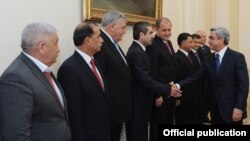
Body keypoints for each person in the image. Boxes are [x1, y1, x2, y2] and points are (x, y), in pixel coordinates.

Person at [0, 22, 71, 141]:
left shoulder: (43, 69)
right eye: (56, 43)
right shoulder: (15, 78)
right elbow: (16, 136)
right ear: (42, 47)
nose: (59, 49)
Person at [177, 26, 249, 124]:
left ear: (221, 39)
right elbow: (196, 76)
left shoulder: (237, 57)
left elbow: (243, 86)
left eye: (211, 38)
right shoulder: (209, 58)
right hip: (215, 110)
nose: (208, 41)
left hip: (232, 110)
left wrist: (238, 108)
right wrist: (177, 85)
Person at [126, 22, 181, 141]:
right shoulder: (137, 52)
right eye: (151, 33)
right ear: (141, 35)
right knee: (141, 134)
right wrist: (165, 89)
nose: (153, 35)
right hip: (140, 101)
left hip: (149, 97)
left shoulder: (142, 50)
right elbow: (146, 78)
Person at [57, 21, 110, 141]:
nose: (102, 40)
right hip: (87, 135)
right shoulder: (69, 69)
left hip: (103, 132)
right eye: (98, 36)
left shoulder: (95, 62)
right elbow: (73, 113)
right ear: (87, 40)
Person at [94, 10, 133, 141]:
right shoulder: (101, 44)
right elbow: (99, 79)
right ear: (112, 26)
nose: (124, 31)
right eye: (123, 27)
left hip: (119, 108)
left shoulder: (113, 43)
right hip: (111, 110)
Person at [146, 17, 178, 141]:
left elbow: (171, 66)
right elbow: (152, 71)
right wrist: (157, 95)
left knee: (169, 123)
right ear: (156, 29)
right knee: (158, 126)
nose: (168, 33)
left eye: (169, 30)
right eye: (164, 30)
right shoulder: (153, 45)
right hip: (160, 93)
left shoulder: (168, 42)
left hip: (171, 92)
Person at [175, 33, 197, 124]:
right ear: (183, 43)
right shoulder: (177, 57)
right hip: (184, 97)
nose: (192, 44)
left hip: (193, 95)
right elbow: (178, 77)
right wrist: (178, 97)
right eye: (190, 42)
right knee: (183, 120)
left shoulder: (191, 54)